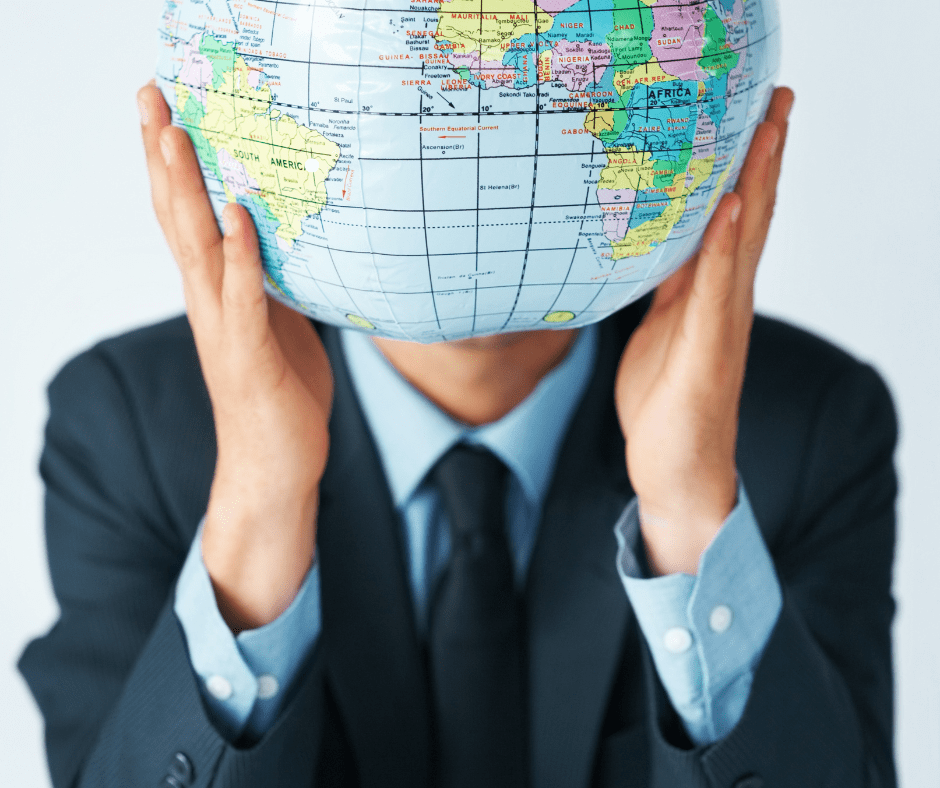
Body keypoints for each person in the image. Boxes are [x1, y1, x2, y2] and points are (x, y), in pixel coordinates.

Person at [16, 80, 899, 788]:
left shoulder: (809, 426)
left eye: (532, 86)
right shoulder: (124, 429)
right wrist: (258, 504)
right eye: (419, 89)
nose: (471, 144)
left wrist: (692, 513)